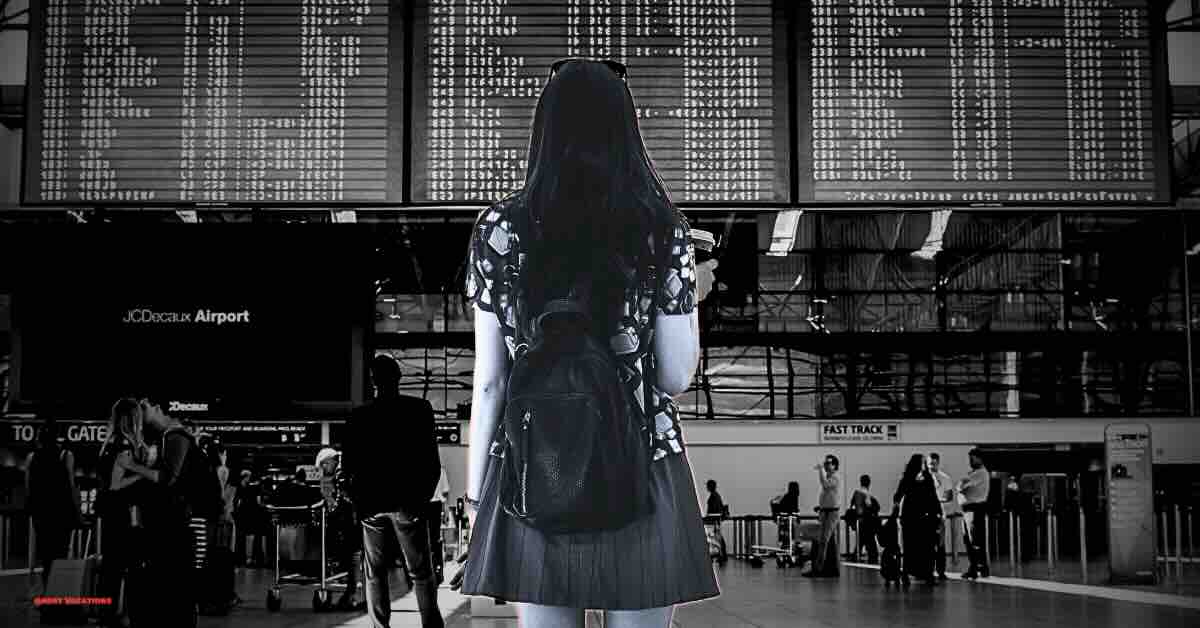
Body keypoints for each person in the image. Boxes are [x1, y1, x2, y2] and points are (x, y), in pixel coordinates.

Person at [457, 58, 721, 628]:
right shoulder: (662, 229)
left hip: (535, 461)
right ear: (625, 130)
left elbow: (489, 382)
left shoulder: (499, 230)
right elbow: (675, 377)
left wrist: (476, 499)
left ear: (544, 131)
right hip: (642, 461)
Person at [343, 355, 443, 628]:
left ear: (373, 380)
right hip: (408, 503)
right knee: (421, 572)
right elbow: (431, 461)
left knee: (374, 573)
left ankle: (380, 626)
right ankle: (431, 625)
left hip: (371, 506)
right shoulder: (419, 409)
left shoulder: (359, 416)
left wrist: (358, 501)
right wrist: (422, 498)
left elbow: (348, 465)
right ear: (399, 377)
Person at [121, 397, 213, 628]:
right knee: (178, 588)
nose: (141, 415)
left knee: (179, 587)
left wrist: (133, 468)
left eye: (144, 408)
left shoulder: (175, 437)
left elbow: (168, 478)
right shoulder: (169, 438)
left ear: (157, 408)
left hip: (183, 524)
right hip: (184, 522)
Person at [97, 398, 154, 627]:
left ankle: (107, 613)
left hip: (111, 513)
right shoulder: (124, 444)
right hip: (124, 514)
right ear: (133, 418)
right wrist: (145, 472)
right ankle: (131, 614)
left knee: (111, 567)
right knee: (130, 567)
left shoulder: (109, 442)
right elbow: (116, 484)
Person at [25, 416, 81, 591]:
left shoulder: (31, 457)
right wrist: (78, 512)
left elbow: (29, 489)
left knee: (47, 557)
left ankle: (48, 593)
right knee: (60, 555)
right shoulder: (66, 455)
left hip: (41, 514)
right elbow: (71, 487)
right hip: (62, 514)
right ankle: (57, 596)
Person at [893, 454, 941, 586]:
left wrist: (938, 512)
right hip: (912, 517)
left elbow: (933, 496)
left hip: (923, 517)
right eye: (922, 462)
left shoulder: (926, 477)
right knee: (911, 546)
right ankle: (909, 573)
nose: (924, 464)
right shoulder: (909, 478)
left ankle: (926, 574)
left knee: (927, 547)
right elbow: (897, 495)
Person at [957, 448, 991, 579]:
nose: (970, 461)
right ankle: (974, 568)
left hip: (974, 509)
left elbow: (961, 485)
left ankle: (981, 568)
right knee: (969, 541)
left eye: (973, 458)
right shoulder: (974, 473)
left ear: (980, 458)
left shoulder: (980, 473)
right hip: (968, 511)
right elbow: (961, 484)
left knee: (975, 540)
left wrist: (962, 484)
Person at [804, 454, 840, 578]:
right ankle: (818, 567)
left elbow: (825, 485)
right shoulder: (829, 477)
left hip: (832, 513)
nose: (826, 465)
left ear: (835, 466)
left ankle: (819, 569)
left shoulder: (835, 477)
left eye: (829, 463)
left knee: (824, 540)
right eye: (825, 463)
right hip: (824, 512)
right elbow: (827, 495)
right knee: (820, 540)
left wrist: (820, 471)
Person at [928, 452, 956, 580]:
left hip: (939, 516)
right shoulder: (921, 478)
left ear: (938, 463)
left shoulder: (945, 478)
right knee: (926, 544)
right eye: (929, 463)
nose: (931, 465)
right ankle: (926, 570)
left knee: (940, 544)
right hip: (925, 515)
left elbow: (950, 496)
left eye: (934, 463)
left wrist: (938, 501)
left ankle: (940, 571)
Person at [849, 475, 880, 564]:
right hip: (867, 522)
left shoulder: (856, 493)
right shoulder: (866, 494)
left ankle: (856, 556)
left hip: (860, 522)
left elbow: (853, 506)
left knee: (861, 541)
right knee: (871, 544)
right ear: (869, 483)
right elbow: (872, 507)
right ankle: (872, 559)